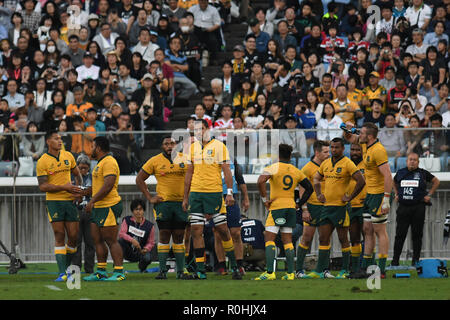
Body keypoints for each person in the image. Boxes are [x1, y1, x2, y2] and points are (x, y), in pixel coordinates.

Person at [182, 119, 242, 280]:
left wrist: (229, 193)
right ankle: (200, 270)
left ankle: (235, 267)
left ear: (208, 129)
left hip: (214, 193)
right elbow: (189, 173)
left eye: (201, 128)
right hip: (196, 193)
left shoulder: (219, 146)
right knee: (196, 231)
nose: (199, 132)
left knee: (223, 230)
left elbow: (227, 171)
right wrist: (185, 196)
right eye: (196, 130)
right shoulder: (192, 148)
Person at [304, 138, 365, 279]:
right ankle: (319, 271)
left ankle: (345, 270)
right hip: (326, 207)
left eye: (336, 147)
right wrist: (318, 193)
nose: (333, 150)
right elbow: (316, 178)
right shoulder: (325, 163)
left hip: (341, 208)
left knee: (344, 239)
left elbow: (361, 181)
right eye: (332, 147)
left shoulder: (348, 163)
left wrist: (350, 197)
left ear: (343, 149)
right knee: (323, 238)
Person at [135, 136, 191, 279]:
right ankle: (162, 271)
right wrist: (150, 197)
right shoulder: (155, 160)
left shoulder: (184, 159)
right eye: (166, 144)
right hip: (163, 204)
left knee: (179, 236)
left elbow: (192, 179)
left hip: (181, 204)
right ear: (162, 146)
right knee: (165, 234)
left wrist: (187, 198)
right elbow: (139, 179)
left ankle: (181, 271)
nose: (169, 146)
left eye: (172, 143)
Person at [254, 144, 313, 280]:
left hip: (276, 207)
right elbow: (309, 188)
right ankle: (290, 273)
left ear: (278, 155)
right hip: (291, 207)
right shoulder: (295, 170)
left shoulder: (273, 168)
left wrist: (264, 199)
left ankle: (269, 273)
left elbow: (260, 181)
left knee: (269, 239)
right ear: (290, 156)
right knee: (287, 241)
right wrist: (299, 203)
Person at [344, 122, 393, 279]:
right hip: (369, 194)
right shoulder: (366, 144)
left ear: (370, 136)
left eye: (363, 133)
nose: (360, 135)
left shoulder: (378, 151)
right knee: (367, 230)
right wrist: (348, 127)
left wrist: (386, 199)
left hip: (378, 195)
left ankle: (382, 270)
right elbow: (350, 137)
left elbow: (388, 176)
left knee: (380, 231)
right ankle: (365, 269)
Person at [36, 130, 83, 282]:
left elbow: (77, 174)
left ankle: (67, 269)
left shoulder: (68, 156)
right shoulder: (43, 161)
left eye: (60, 139)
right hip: (54, 202)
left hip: (70, 201)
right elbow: (43, 186)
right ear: (48, 142)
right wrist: (65, 187)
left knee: (74, 237)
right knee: (59, 235)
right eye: (56, 138)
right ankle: (63, 272)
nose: (60, 141)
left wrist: (78, 191)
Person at [83, 136, 125, 282]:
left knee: (111, 240)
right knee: (98, 240)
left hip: (109, 206)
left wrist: (92, 201)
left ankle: (119, 272)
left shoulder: (109, 162)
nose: (91, 149)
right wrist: (82, 192)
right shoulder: (100, 163)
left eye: (92, 146)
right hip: (99, 207)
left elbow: (108, 185)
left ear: (98, 148)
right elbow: (98, 186)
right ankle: (101, 271)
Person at [391, 152, 440, 266]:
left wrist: (429, 195)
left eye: (414, 160)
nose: (412, 161)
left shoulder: (422, 173)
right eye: (410, 159)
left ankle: (415, 261)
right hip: (403, 207)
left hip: (418, 207)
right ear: (407, 161)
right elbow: (393, 181)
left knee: (417, 235)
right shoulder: (401, 172)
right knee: (400, 235)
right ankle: (395, 261)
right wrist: (396, 193)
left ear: (418, 162)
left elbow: (436, 181)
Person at [295, 140, 330, 278]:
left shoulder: (329, 166)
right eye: (325, 152)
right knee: (306, 238)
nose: (328, 154)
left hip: (326, 208)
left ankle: (324, 270)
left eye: (329, 152)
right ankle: (298, 270)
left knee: (325, 238)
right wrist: (304, 209)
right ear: (317, 152)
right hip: (311, 207)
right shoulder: (307, 168)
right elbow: (302, 190)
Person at [213, 160, 249, 276]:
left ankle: (239, 265)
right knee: (218, 234)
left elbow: (240, 180)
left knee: (236, 233)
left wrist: (246, 198)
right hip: (216, 198)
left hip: (231, 199)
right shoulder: (209, 162)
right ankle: (222, 266)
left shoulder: (233, 163)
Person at [71, 154, 95, 275]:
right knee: (76, 241)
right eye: (81, 168)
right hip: (75, 211)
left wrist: (82, 192)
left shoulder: (93, 178)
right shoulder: (71, 178)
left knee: (90, 242)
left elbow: (94, 192)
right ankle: (76, 268)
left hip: (89, 212)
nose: (83, 170)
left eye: (85, 168)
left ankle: (89, 269)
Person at [346, 143, 367, 277]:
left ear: (362, 151)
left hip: (366, 206)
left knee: (368, 237)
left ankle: (368, 266)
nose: (354, 152)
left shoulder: (368, 164)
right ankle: (355, 268)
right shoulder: (347, 164)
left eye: (357, 150)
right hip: (351, 206)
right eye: (352, 149)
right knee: (354, 238)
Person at [118, 199, 155, 273]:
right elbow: (121, 234)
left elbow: (151, 242)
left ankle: (142, 268)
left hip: (140, 251)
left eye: (140, 209)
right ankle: (118, 268)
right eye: (136, 209)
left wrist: (146, 249)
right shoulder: (127, 220)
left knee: (148, 257)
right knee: (120, 242)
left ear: (143, 210)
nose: (138, 211)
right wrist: (132, 240)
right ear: (132, 211)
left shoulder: (150, 226)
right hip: (127, 251)